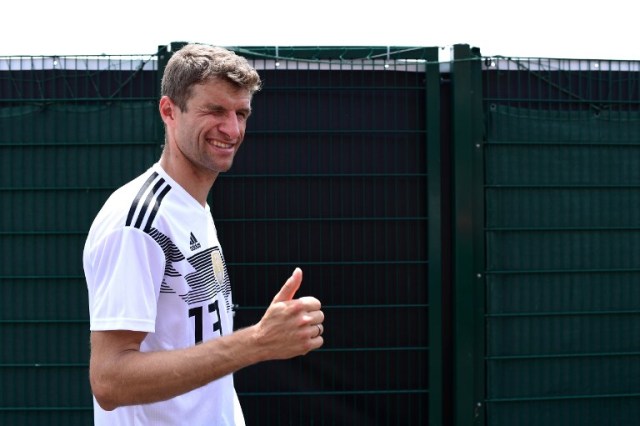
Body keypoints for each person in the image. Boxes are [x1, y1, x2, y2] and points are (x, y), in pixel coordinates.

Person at [82, 43, 325, 425]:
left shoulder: (193, 208)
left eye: (241, 113)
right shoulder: (138, 221)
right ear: (169, 111)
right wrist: (258, 341)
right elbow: (110, 381)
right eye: (215, 110)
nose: (232, 129)